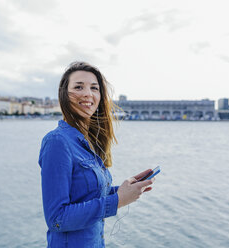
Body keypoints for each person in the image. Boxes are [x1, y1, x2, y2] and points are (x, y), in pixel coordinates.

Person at [38, 61, 156, 247]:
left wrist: (123, 190)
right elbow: (57, 218)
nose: (88, 93)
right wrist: (117, 201)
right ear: (64, 94)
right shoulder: (57, 142)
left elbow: (86, 195)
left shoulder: (89, 143)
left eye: (95, 88)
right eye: (78, 87)